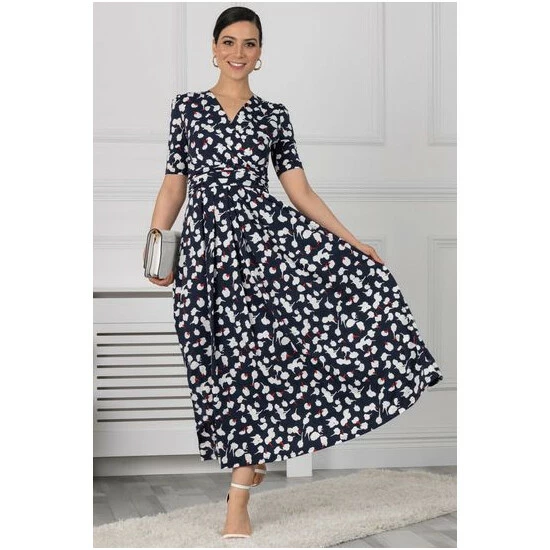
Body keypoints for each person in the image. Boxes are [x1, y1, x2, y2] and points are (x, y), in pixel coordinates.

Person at [145, 5, 444, 539]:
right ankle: (254, 455)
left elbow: (298, 189)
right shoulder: (187, 108)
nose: (239, 53)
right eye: (229, 42)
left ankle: (238, 499)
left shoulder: (274, 115)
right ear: (213, 48)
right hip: (207, 256)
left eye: (249, 44)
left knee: (252, 364)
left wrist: (352, 241)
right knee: (216, 362)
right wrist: (156, 247)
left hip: (265, 251)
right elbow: (174, 185)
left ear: (260, 53)